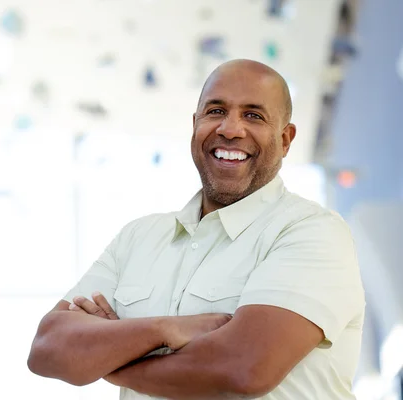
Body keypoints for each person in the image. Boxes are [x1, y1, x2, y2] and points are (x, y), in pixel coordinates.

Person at [27, 59, 365, 400]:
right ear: (195, 124)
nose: (230, 129)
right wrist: (165, 330)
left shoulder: (311, 232)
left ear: (286, 139)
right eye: (216, 111)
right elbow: (47, 348)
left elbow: (244, 368)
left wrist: (106, 357)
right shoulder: (138, 238)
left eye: (254, 115)